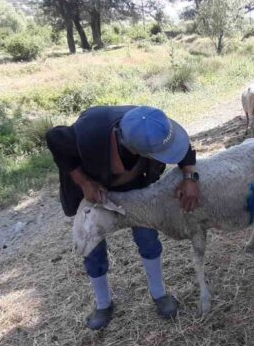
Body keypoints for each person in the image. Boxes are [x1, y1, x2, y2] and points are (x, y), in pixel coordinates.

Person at [45, 106, 201, 330]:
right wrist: (83, 182)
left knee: (148, 237)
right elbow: (54, 138)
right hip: (94, 190)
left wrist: (190, 177)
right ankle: (103, 304)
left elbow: (183, 150)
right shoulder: (89, 134)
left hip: (134, 186)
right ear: (135, 148)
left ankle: (159, 294)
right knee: (92, 247)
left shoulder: (155, 126)